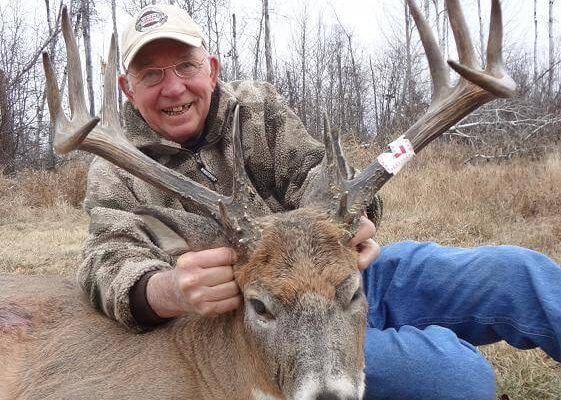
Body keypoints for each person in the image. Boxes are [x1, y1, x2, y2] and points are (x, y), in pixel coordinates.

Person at [79, 4, 561, 400]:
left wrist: (358, 216)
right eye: (152, 74)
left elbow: (317, 174)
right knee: (458, 377)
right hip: (269, 324)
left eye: (186, 66)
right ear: (128, 88)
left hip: (349, 277)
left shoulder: (257, 109)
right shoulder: (117, 169)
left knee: (519, 276)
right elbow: (105, 260)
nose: (174, 87)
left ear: (211, 69)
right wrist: (164, 289)